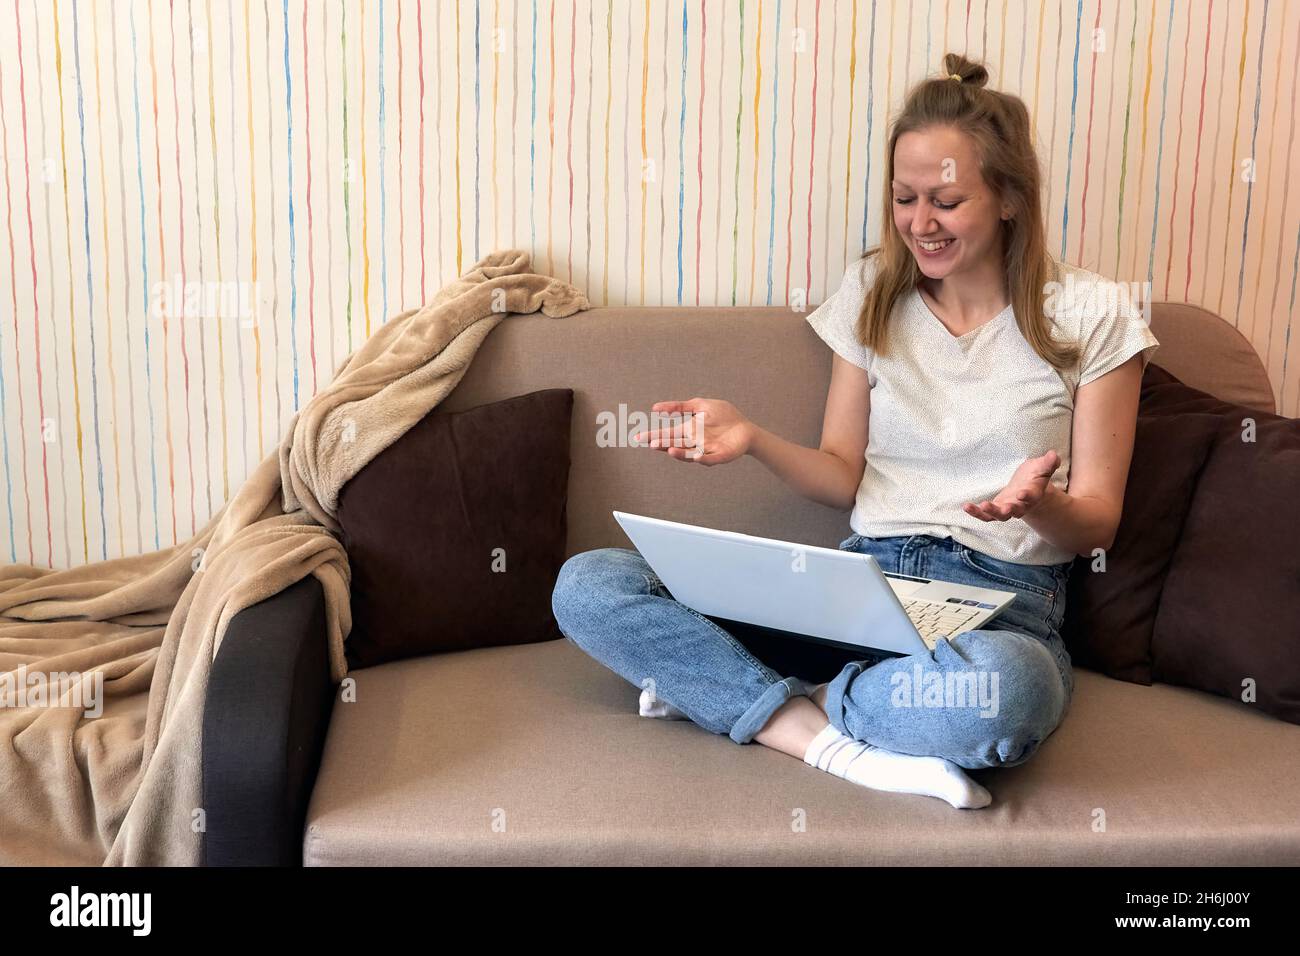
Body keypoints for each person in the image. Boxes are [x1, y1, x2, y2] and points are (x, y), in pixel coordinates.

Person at [550, 52, 1158, 809]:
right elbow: (843, 472)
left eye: (946, 199)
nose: (919, 223)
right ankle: (833, 742)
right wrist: (753, 438)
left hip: (999, 604)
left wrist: (1037, 505)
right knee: (591, 584)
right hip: (855, 589)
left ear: (1008, 197)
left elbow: (1096, 521)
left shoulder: (1094, 316)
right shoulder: (873, 290)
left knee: (1006, 695)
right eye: (905, 198)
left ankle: (748, 696)